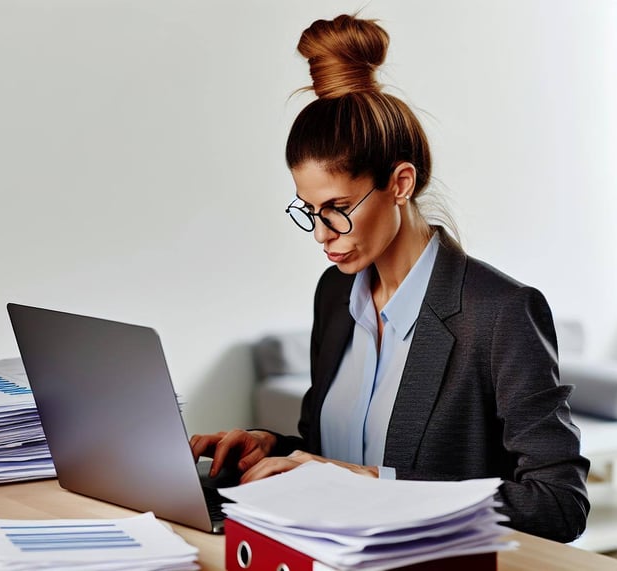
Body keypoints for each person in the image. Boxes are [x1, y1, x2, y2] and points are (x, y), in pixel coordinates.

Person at [190, 13, 589, 543]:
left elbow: (559, 505)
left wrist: (380, 487)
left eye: (337, 208)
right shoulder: (336, 294)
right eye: (309, 210)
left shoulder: (500, 313)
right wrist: (273, 447)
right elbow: (335, 454)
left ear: (400, 183)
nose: (322, 233)